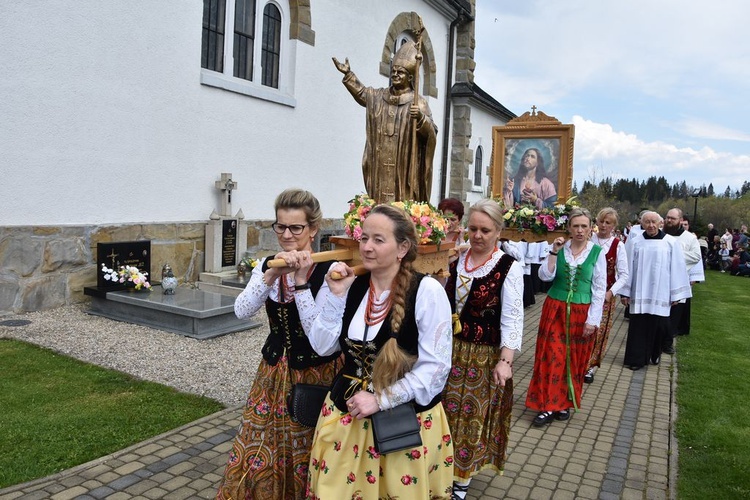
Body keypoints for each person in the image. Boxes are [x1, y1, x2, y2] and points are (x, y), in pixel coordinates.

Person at [304, 204, 454, 499]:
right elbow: (322, 347)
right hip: (346, 418)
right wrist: (335, 298)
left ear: (403, 248)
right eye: (363, 238)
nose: (367, 247)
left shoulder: (427, 292)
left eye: (378, 240)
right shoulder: (352, 285)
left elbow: (436, 368)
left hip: (402, 424)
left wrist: (380, 399)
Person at [216, 189, 340, 500]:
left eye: (296, 227)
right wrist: (271, 273)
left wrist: (300, 281)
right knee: (260, 442)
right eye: (280, 226)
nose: (286, 234)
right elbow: (242, 311)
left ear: (312, 229)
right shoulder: (268, 264)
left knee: (307, 447)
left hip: (314, 373)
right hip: (272, 373)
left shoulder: (330, 271)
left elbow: (320, 338)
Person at [442, 199, 524, 499]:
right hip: (447, 351)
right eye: (473, 228)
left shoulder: (508, 268)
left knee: (469, 417)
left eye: (485, 230)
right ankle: (439, 468)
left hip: (481, 356)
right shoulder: (455, 260)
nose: (477, 235)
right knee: (441, 412)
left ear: (498, 231)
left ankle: (461, 481)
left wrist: (506, 361)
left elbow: (513, 318)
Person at [526, 208, 606, 427]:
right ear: (569, 228)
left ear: (591, 228)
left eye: (584, 226)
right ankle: (547, 405)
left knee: (573, 359)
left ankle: (564, 402)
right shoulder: (560, 249)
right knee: (551, 356)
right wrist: (553, 252)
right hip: (555, 309)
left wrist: (593, 319)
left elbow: (599, 289)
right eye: (576, 226)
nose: (580, 230)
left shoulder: (597, 253)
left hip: (582, 312)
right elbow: (545, 276)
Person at [333, 42, 437, 204]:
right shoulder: (379, 96)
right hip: (380, 162)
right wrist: (348, 75)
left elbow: (431, 134)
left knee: (401, 200)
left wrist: (422, 120)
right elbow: (362, 94)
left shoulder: (418, 103)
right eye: (393, 71)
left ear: (410, 78)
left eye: (400, 72)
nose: (395, 75)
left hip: (403, 164)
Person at [620, 212, 691, 370]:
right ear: (642, 224)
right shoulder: (635, 242)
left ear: (660, 223)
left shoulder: (670, 242)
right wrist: (625, 292)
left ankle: (655, 351)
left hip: (661, 291)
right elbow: (627, 268)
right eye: (647, 222)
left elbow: (677, 269)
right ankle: (636, 359)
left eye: (654, 222)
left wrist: (676, 294)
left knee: (659, 325)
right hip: (639, 291)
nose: (650, 225)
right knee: (638, 326)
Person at [585, 208, 629, 384]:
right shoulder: (589, 239)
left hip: (605, 295)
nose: (603, 225)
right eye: (601, 221)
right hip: (585, 291)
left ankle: (590, 365)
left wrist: (611, 292)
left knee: (598, 330)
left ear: (614, 226)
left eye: (608, 222)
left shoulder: (617, 245)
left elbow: (624, 274)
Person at [662, 208, 701, 350]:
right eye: (667, 217)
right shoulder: (660, 235)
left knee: (674, 315)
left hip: (678, 280)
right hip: (661, 280)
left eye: (673, 218)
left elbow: (696, 256)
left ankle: (667, 344)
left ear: (680, 220)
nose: (669, 220)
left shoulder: (689, 238)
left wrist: (675, 254)